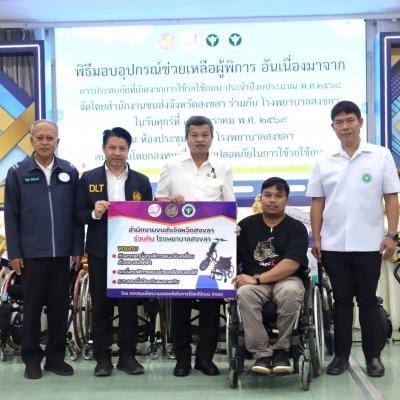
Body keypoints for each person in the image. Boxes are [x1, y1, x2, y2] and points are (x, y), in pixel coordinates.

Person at [306, 100, 400, 377]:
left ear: (360, 122)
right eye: (339, 122)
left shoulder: (380, 155)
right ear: (332, 127)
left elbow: (391, 198)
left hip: (370, 243)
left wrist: (391, 234)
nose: (345, 126)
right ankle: (341, 357)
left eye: (350, 120)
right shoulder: (323, 160)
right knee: (342, 301)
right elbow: (317, 202)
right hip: (334, 244)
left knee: (368, 300)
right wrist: (316, 238)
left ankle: (373, 357)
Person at [155, 115, 235, 377]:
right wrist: (171, 204)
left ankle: (205, 359)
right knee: (180, 307)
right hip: (180, 247)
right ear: (187, 137)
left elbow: (229, 205)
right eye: (194, 135)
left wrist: (231, 228)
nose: (200, 139)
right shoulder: (172, 165)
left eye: (204, 135)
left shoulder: (223, 167)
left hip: (212, 247)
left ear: (212, 137)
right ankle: (182, 360)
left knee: (210, 307)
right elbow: (158, 202)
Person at [4, 120, 83, 379]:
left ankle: (55, 359)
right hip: (31, 255)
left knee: (59, 308)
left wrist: (77, 248)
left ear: (57, 142)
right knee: (32, 309)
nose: (45, 142)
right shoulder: (17, 172)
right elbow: (11, 216)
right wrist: (15, 252)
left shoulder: (69, 171)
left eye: (50, 138)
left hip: (62, 254)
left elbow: (76, 214)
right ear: (31, 141)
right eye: (40, 137)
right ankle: (31, 359)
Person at [75, 127, 153, 377]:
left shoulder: (141, 181)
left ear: (128, 150)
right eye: (112, 148)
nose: (117, 153)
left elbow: (151, 217)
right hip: (100, 251)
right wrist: (94, 213)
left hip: (131, 252)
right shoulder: (88, 178)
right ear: (103, 149)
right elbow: (77, 214)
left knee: (129, 306)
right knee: (101, 305)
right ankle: (102, 357)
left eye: (122, 148)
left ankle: (128, 356)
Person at [233, 177, 308, 374]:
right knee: (245, 293)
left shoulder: (296, 228)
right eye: (267, 195)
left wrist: (257, 279)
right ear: (260, 198)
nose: (272, 200)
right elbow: (230, 256)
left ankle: (283, 349)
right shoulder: (245, 226)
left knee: (291, 291)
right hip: (254, 281)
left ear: (286, 200)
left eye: (278, 196)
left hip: (286, 279)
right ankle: (262, 354)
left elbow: (291, 264)